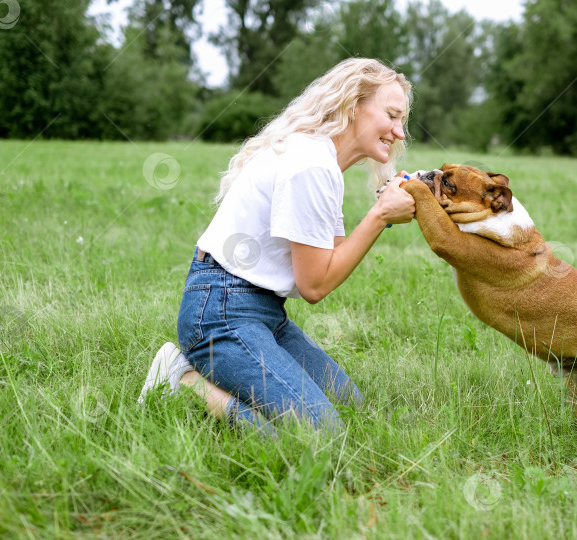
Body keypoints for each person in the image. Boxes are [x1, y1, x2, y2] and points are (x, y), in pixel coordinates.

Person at [138, 58, 416, 433]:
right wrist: (380, 216)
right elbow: (314, 285)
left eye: (402, 121)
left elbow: (332, 260)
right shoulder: (311, 165)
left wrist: (383, 208)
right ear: (353, 106)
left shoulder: (324, 165)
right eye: (392, 115)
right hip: (221, 312)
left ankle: (228, 374)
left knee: (352, 408)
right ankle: (182, 379)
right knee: (321, 434)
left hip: (264, 313)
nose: (400, 132)